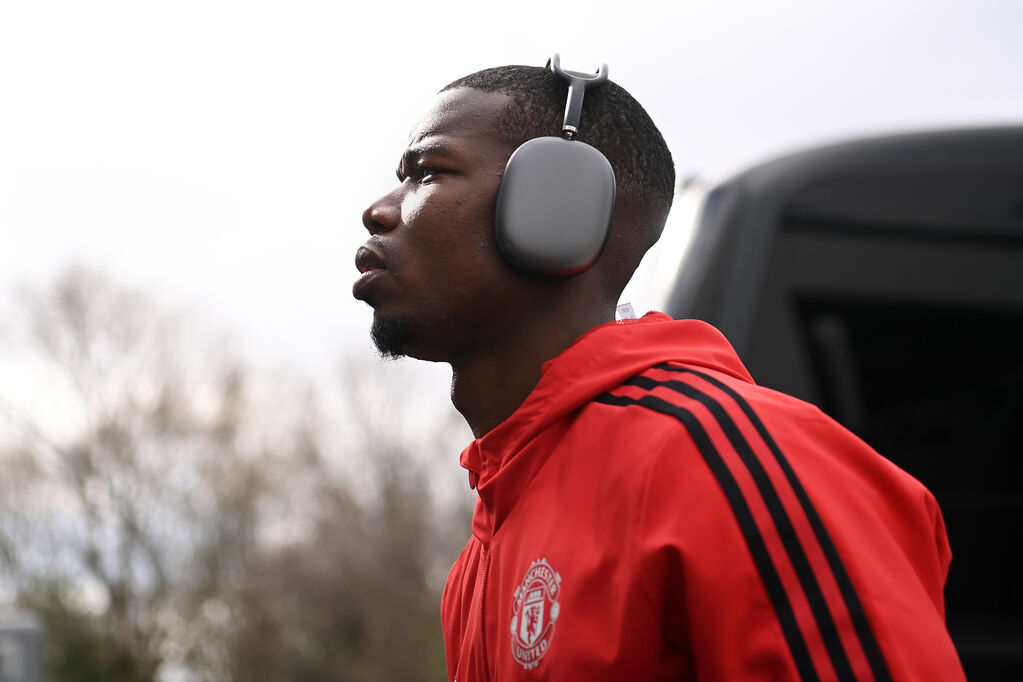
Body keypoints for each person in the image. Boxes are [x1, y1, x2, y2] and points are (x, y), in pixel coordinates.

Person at [353, 62, 965, 681]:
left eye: (425, 173)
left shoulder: (722, 458)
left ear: (555, 205)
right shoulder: (483, 551)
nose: (378, 211)